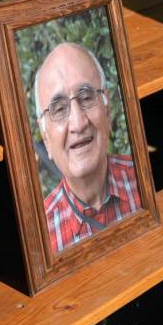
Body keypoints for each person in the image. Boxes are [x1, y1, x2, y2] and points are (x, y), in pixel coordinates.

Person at [34, 43, 141, 254]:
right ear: (46, 138)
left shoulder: (144, 180)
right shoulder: (41, 238)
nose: (78, 123)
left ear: (107, 110)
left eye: (86, 97)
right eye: (59, 108)